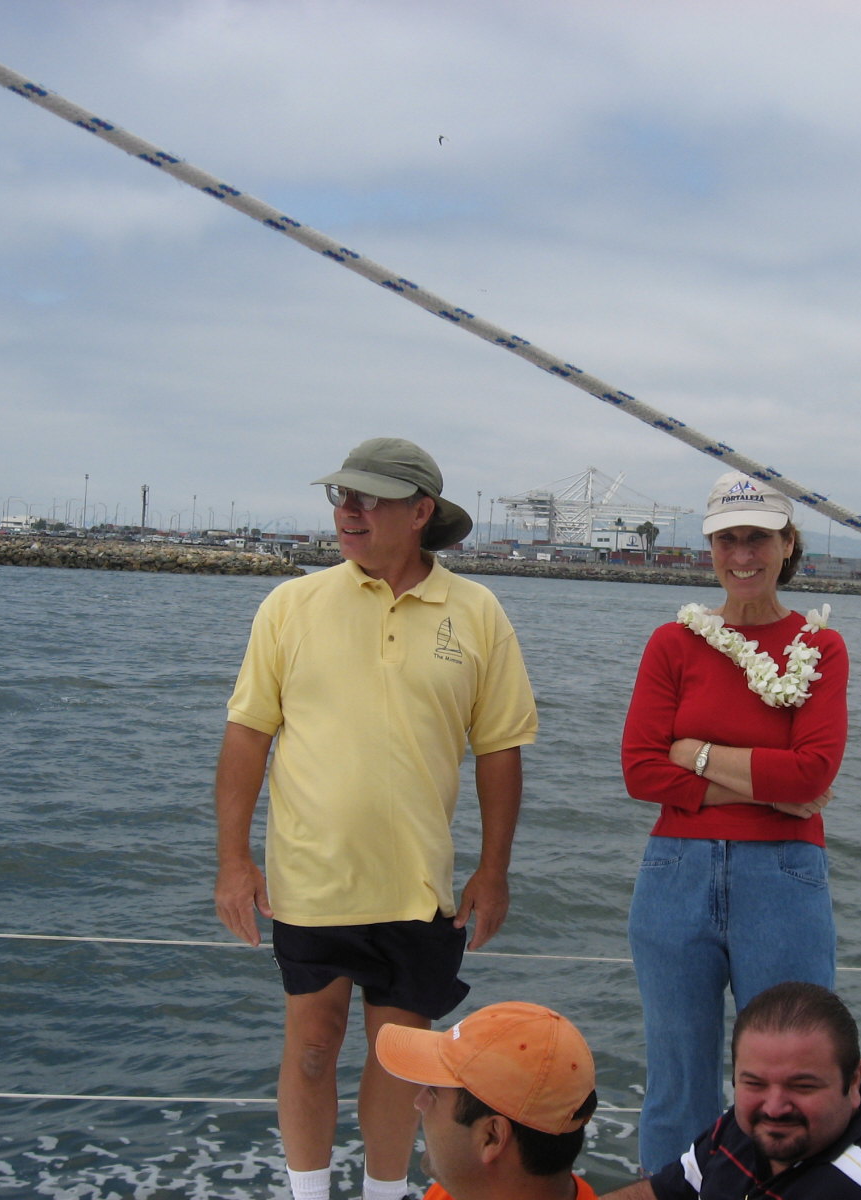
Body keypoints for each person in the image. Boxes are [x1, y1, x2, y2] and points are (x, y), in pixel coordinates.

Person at [213, 437, 538, 1200]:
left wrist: (493, 871)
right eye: (341, 496)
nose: (347, 510)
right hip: (310, 880)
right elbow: (247, 736)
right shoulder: (290, 605)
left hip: (419, 888)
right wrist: (233, 861)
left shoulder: (479, 613)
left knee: (401, 1064)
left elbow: (500, 750)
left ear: (421, 513)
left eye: (368, 498)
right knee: (312, 1049)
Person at [620, 471, 849, 1172]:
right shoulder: (672, 643)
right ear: (710, 549)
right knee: (676, 1082)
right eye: (727, 540)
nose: (742, 555)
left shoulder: (822, 648)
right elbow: (640, 770)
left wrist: (695, 755)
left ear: (788, 545)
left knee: (793, 1080)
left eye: (757, 539)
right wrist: (763, 788)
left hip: (784, 879)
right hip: (674, 876)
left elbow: (811, 776)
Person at [600, 982, 861, 1200]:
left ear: (853, 1081)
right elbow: (664, 1193)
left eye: (802, 1086)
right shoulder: (739, 1131)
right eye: (755, 1083)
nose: (774, 1108)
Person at [375, 1000, 601, 1200]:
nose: (419, 1102)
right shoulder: (461, 1189)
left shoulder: (461, 1189)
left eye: (433, 1093)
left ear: (492, 1136)